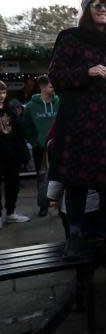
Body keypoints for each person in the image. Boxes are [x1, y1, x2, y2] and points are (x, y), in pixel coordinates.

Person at [48, 0, 106, 256]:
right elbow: (56, 77)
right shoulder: (71, 38)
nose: (103, 8)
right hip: (79, 125)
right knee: (77, 181)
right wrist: (88, 72)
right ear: (86, 10)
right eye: (97, 4)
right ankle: (74, 234)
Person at [23, 75, 59, 217]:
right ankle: (43, 205)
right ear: (42, 87)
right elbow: (26, 127)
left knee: (61, 177)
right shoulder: (31, 107)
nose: (53, 88)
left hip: (59, 146)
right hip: (41, 148)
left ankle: (58, 204)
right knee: (42, 178)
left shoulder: (59, 102)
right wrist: (35, 141)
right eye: (51, 86)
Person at [0, 81, 31, 227]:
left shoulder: (9, 109)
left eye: (3, 92)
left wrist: (22, 152)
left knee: (13, 184)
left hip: (12, 155)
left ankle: (10, 212)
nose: (1, 95)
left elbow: (18, 131)